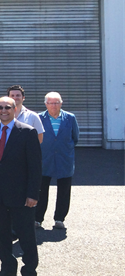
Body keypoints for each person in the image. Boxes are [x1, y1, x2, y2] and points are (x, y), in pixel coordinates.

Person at [0, 97, 42, 276]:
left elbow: (35, 167)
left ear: (15, 109)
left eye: (7, 107)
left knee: (26, 236)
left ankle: (29, 274)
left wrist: (33, 194)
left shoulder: (28, 132)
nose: (3, 110)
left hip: (22, 196)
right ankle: (7, 269)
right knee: (1, 235)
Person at [36, 92, 79, 230]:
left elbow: (75, 137)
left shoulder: (70, 118)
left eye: (56, 103)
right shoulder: (39, 118)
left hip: (64, 158)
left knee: (64, 191)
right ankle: (37, 219)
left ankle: (59, 219)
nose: (53, 106)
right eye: (50, 103)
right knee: (41, 190)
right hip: (44, 159)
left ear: (61, 103)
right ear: (45, 104)